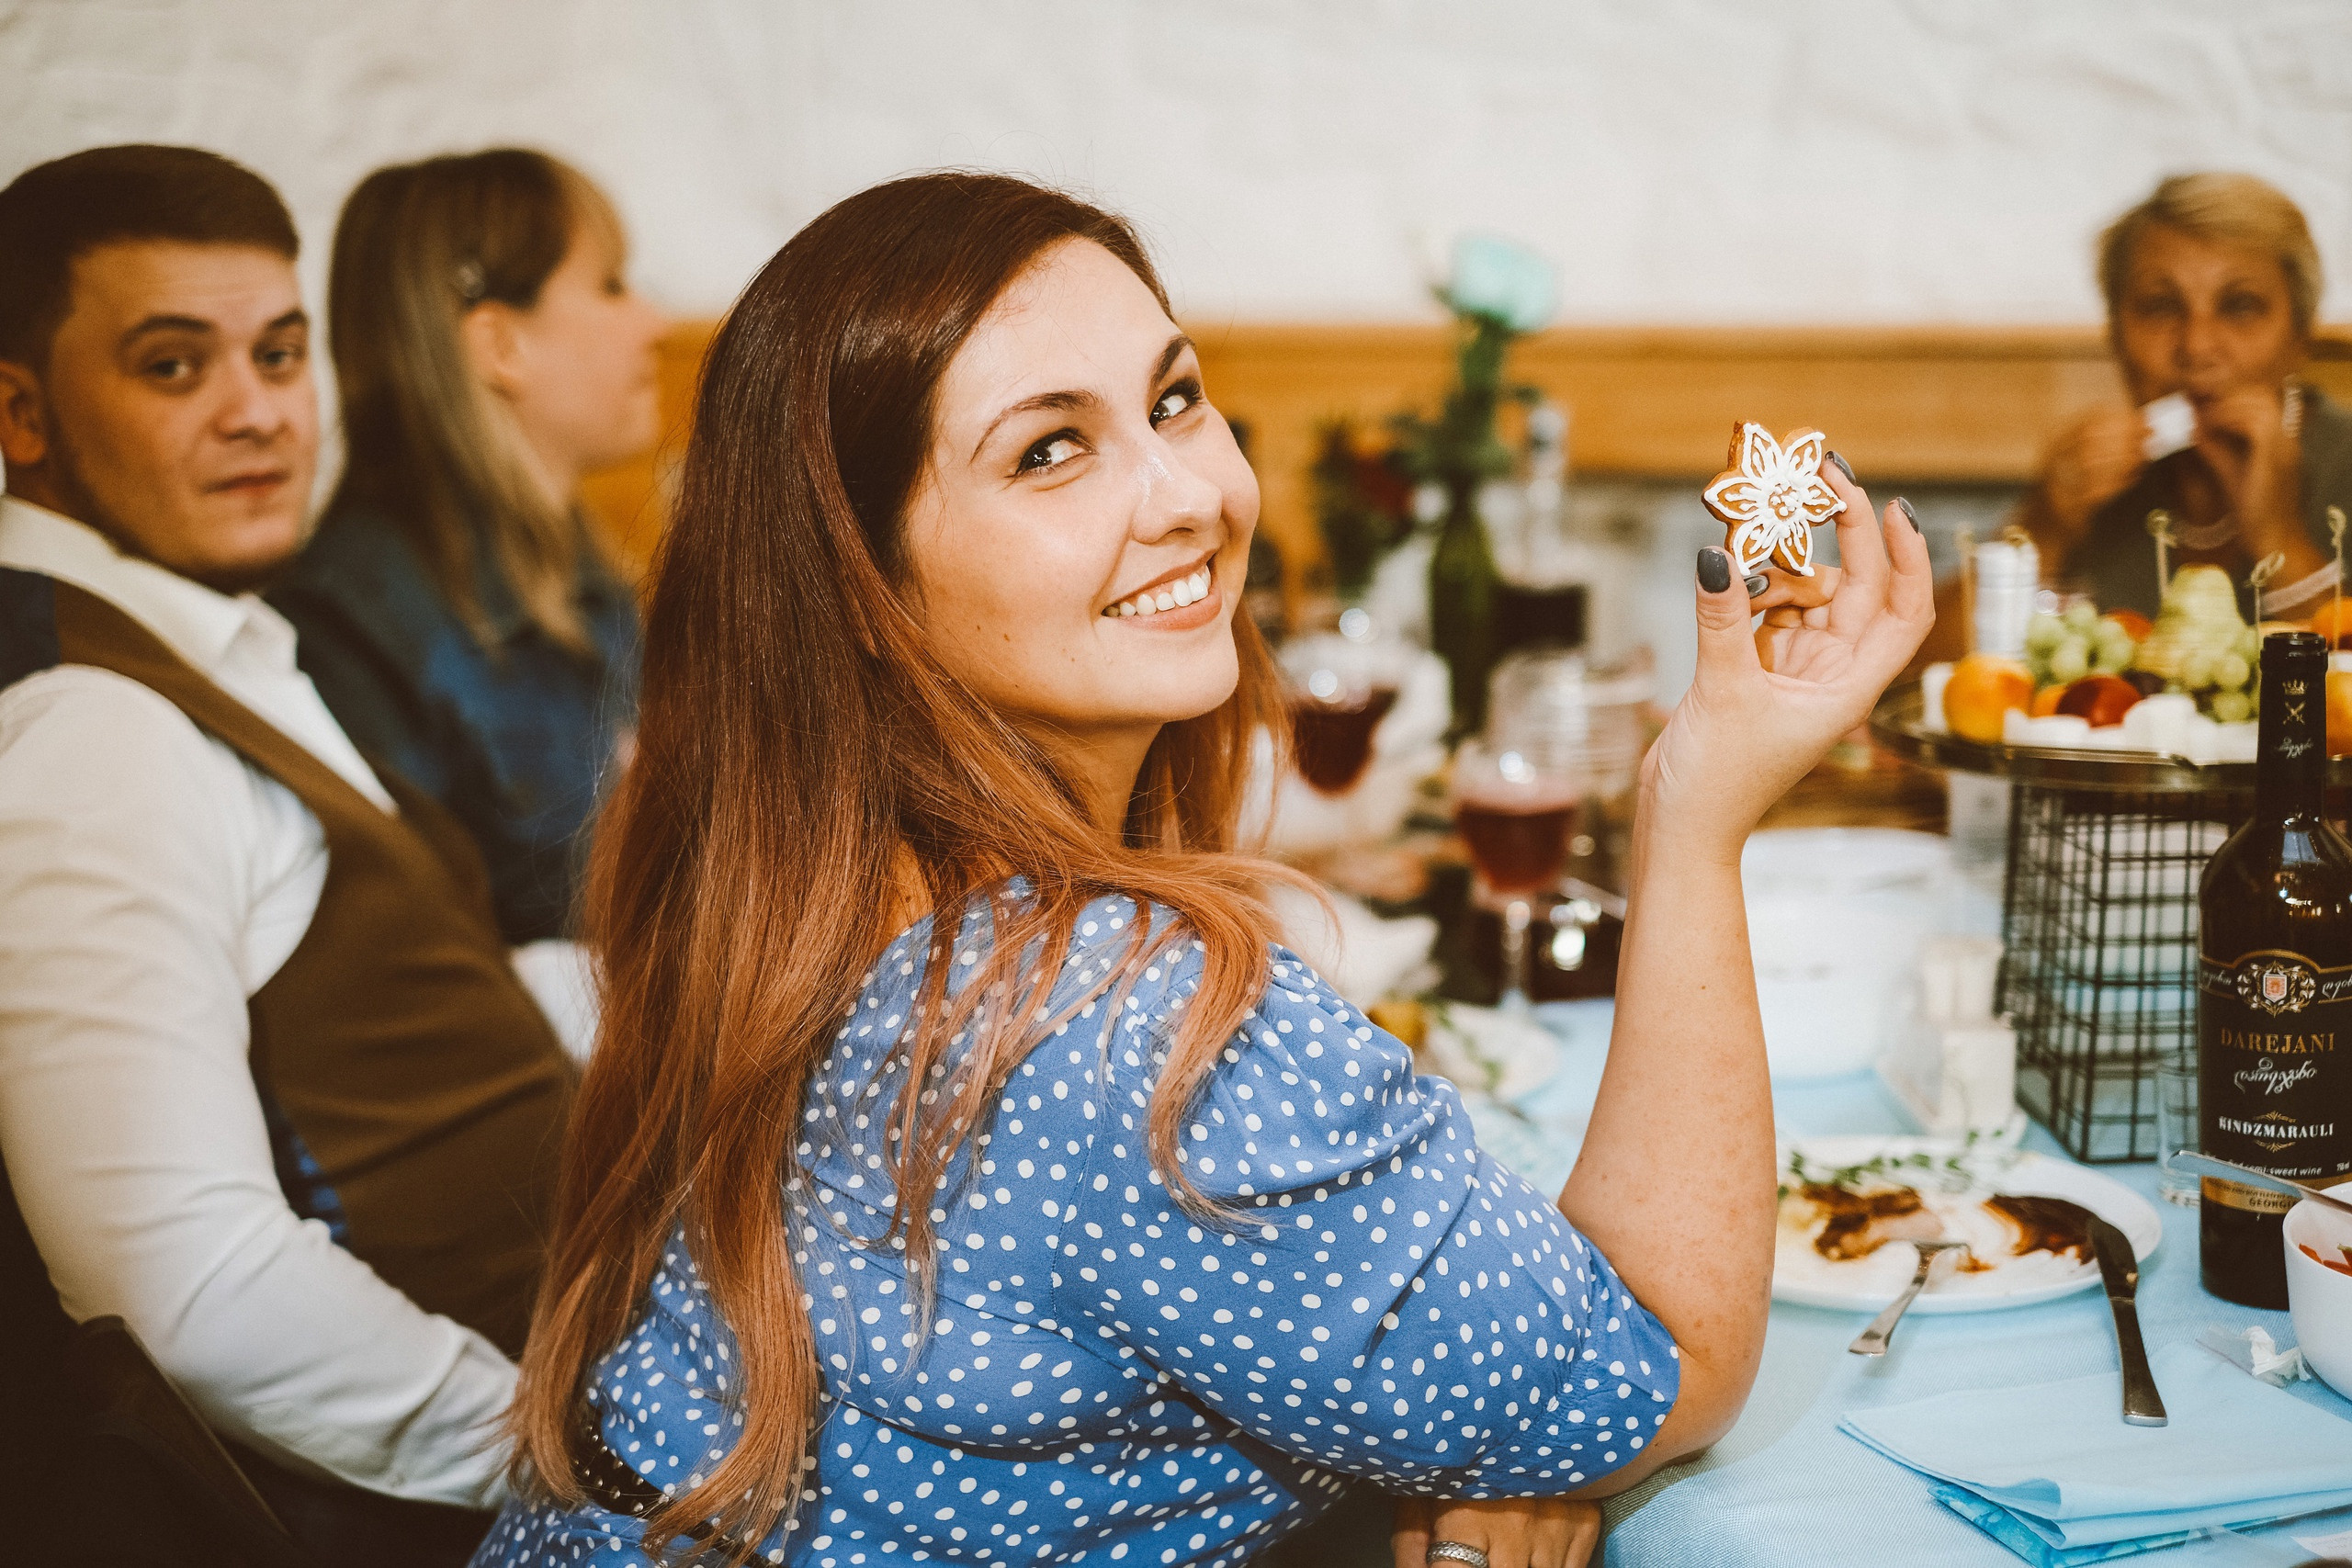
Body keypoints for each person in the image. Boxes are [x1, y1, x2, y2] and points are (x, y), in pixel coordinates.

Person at [480, 173, 1930, 1568]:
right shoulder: (1124, 1025)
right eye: (1051, 448)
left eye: (1174, 398)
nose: (1185, 493)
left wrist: (1483, 1450)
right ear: (861, 587)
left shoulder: (808, 888)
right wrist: (1697, 808)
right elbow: (1659, 1359)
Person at [0, 145, 575, 1566]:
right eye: (173, 366)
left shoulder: (204, 639)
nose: (258, 414)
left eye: (279, 351)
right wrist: (553, 1454)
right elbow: (180, 1286)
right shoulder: (90, 726)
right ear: (20, 411)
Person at [271, 150, 662, 948]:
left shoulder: (585, 576)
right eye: (612, 283)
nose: (653, 321)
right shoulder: (351, 624)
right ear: (499, 345)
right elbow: (422, 956)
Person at [2020, 172, 2348, 620]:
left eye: (2240, 306)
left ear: (2300, 337)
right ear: (2115, 334)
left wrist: (2279, 540)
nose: (2196, 348)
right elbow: (1919, 660)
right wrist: (2044, 525)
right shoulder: (2089, 481)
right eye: (2160, 306)